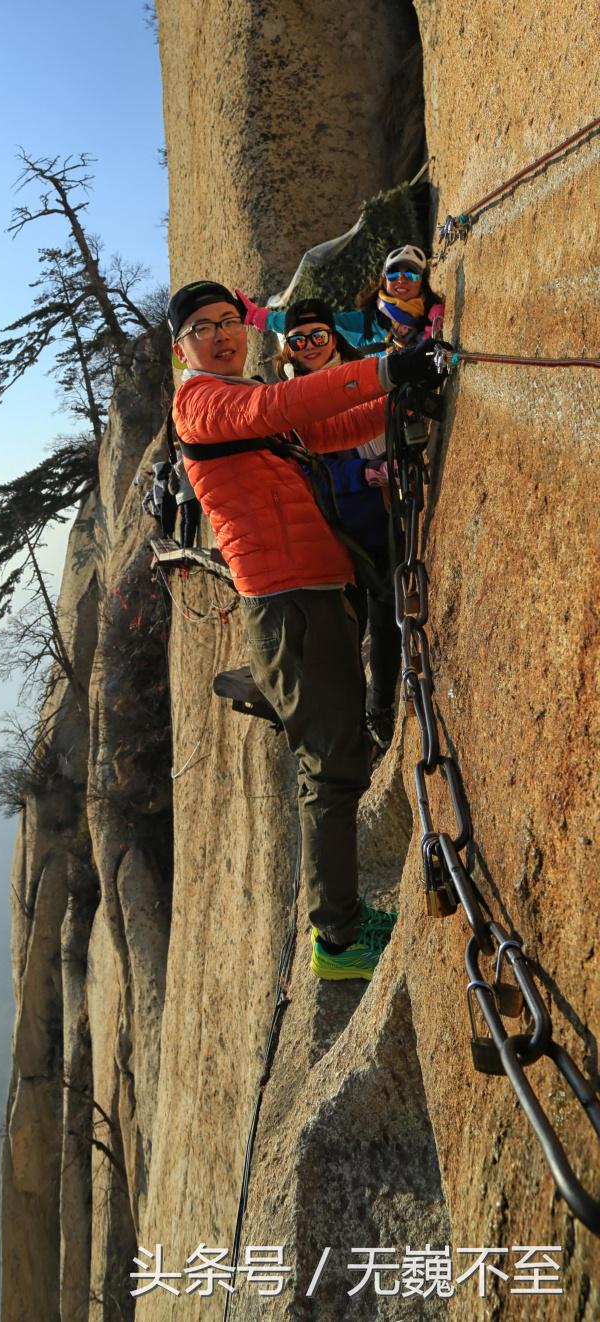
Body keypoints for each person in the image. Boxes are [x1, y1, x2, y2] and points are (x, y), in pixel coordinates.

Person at [168, 280, 443, 981]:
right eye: (205, 327)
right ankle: (337, 941)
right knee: (331, 764)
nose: (224, 333)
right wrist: (388, 366)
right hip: (288, 603)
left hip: (309, 593)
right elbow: (285, 404)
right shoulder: (202, 401)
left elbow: (324, 430)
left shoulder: (239, 400)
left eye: (231, 321)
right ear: (182, 349)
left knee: (337, 752)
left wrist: (394, 401)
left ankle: (341, 924)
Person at [279, 297, 401, 752]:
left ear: (334, 336)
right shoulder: (287, 402)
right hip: (336, 526)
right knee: (351, 627)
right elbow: (307, 471)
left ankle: (381, 706)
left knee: (386, 613)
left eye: (318, 335)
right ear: (288, 346)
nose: (309, 346)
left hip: (382, 512)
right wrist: (365, 473)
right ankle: (355, 720)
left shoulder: (364, 373)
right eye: (298, 339)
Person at [238, 244, 445, 354]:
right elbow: (311, 323)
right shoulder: (364, 323)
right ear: (384, 280)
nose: (401, 279)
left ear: (422, 281)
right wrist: (261, 318)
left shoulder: (435, 315)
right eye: (393, 274)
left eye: (411, 274)